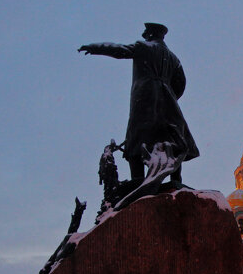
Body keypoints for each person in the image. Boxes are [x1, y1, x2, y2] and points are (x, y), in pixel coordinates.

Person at [79, 23, 198, 184]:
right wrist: (168, 95)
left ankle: (138, 179)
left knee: (137, 137)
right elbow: (181, 83)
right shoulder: (173, 58)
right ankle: (175, 179)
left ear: (150, 34)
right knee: (172, 137)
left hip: (145, 96)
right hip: (167, 100)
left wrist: (95, 48)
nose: (143, 34)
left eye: (146, 32)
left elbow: (120, 50)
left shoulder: (144, 47)